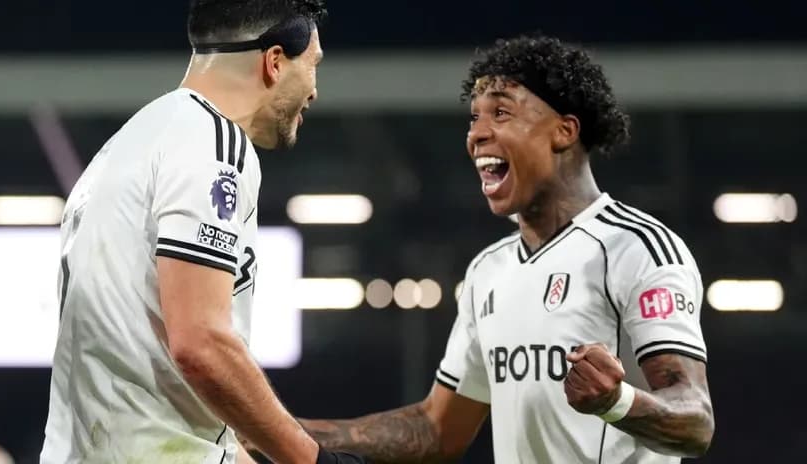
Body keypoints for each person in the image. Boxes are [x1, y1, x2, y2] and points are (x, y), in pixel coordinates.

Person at [298, 35, 715, 463]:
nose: (477, 133)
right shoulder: (487, 271)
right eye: (474, 118)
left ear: (564, 130)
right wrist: (276, 431)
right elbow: (437, 430)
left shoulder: (635, 248)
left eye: (501, 112)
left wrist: (617, 401)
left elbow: (695, 421)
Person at [40, 1, 365, 463]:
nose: (314, 90)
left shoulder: (128, 143)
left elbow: (159, 379)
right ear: (274, 62)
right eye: (313, 66)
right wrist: (312, 460)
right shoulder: (215, 143)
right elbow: (200, 342)